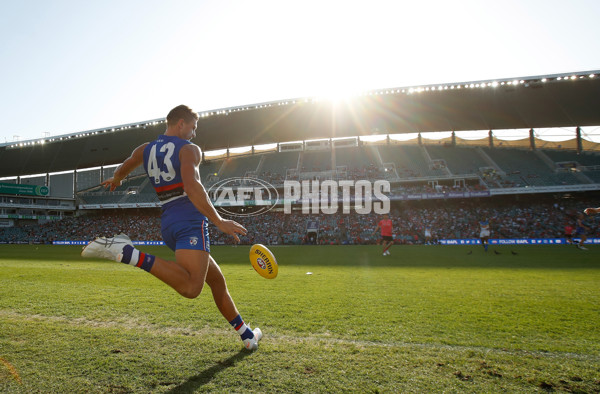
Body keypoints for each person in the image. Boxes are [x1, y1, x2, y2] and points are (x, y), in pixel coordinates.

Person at [81, 105, 262, 350]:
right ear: (180, 123)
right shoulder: (189, 150)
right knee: (191, 288)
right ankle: (128, 253)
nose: (194, 133)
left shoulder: (145, 149)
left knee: (217, 282)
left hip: (168, 221)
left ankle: (247, 335)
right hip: (189, 219)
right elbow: (192, 186)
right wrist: (219, 221)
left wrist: (117, 179)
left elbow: (125, 165)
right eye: (193, 127)